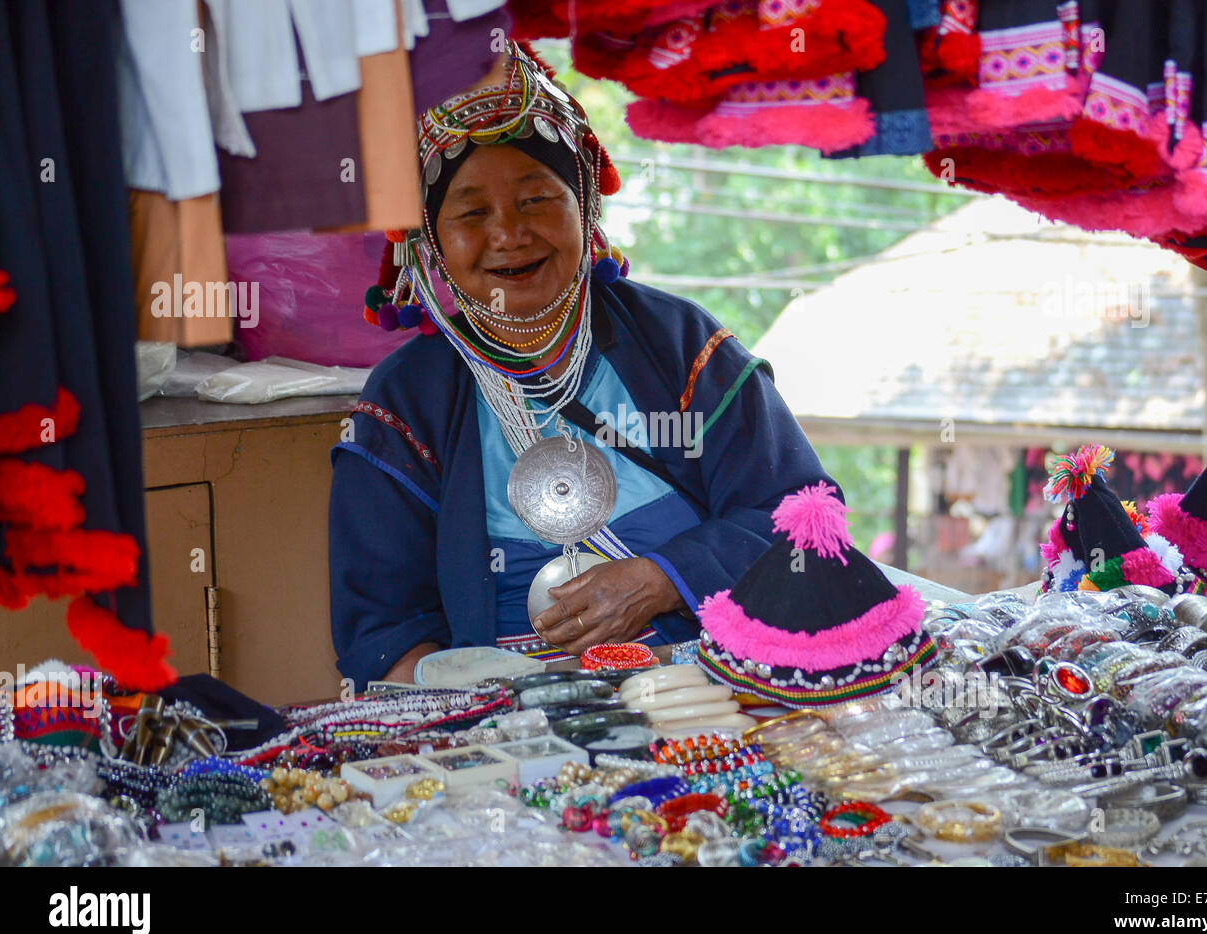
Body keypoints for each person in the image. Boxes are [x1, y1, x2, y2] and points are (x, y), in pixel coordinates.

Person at [329, 42, 835, 689]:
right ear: (433, 238)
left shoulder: (679, 343)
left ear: (586, 205)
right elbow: (381, 631)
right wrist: (486, 718)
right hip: (507, 720)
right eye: (472, 212)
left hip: (708, 694)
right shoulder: (408, 397)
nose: (508, 233)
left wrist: (660, 579)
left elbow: (806, 517)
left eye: (537, 199)